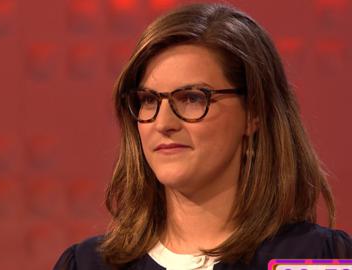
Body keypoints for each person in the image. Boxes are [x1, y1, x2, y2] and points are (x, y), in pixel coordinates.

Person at [54, 3, 352, 270]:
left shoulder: (319, 257)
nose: (163, 122)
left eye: (192, 98)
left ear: (254, 113)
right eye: (148, 100)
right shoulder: (87, 264)